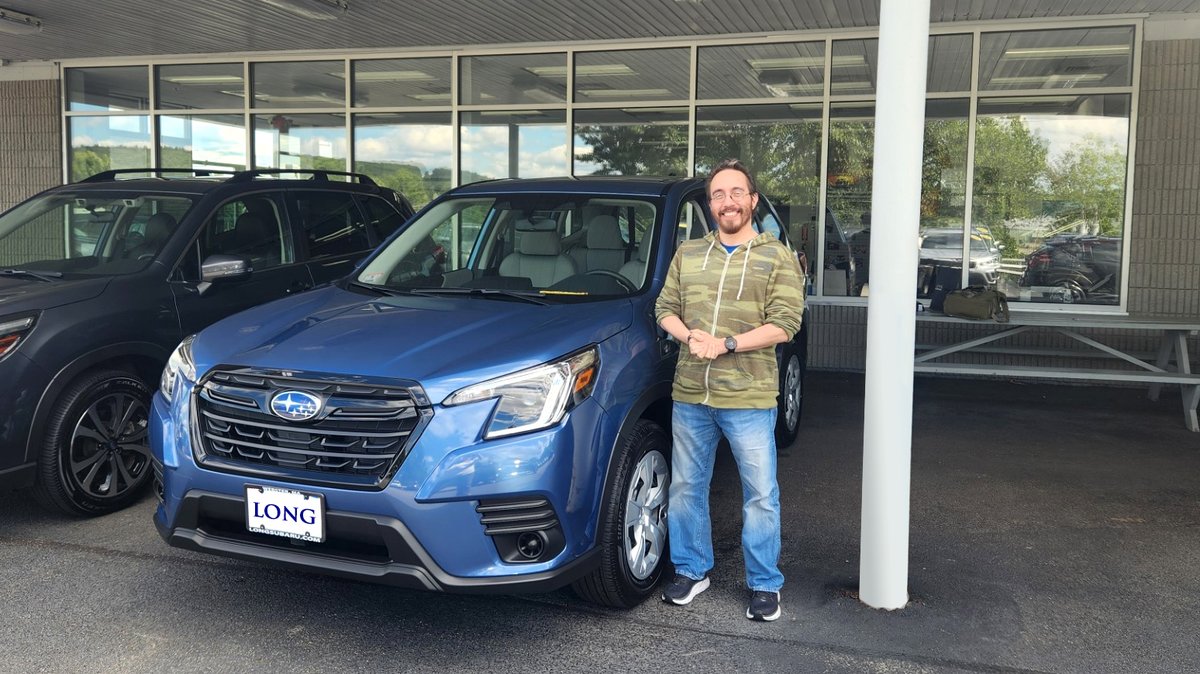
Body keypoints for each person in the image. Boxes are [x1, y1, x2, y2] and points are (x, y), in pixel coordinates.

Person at [654, 159, 805, 622]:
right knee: (685, 489)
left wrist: (728, 344)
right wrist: (690, 337)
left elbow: (785, 324)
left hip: (749, 398)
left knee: (760, 494)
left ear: (753, 201)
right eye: (718, 194)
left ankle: (764, 584)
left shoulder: (775, 255)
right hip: (691, 395)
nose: (728, 202)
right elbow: (664, 307)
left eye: (737, 193)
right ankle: (691, 569)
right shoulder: (689, 253)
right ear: (710, 204)